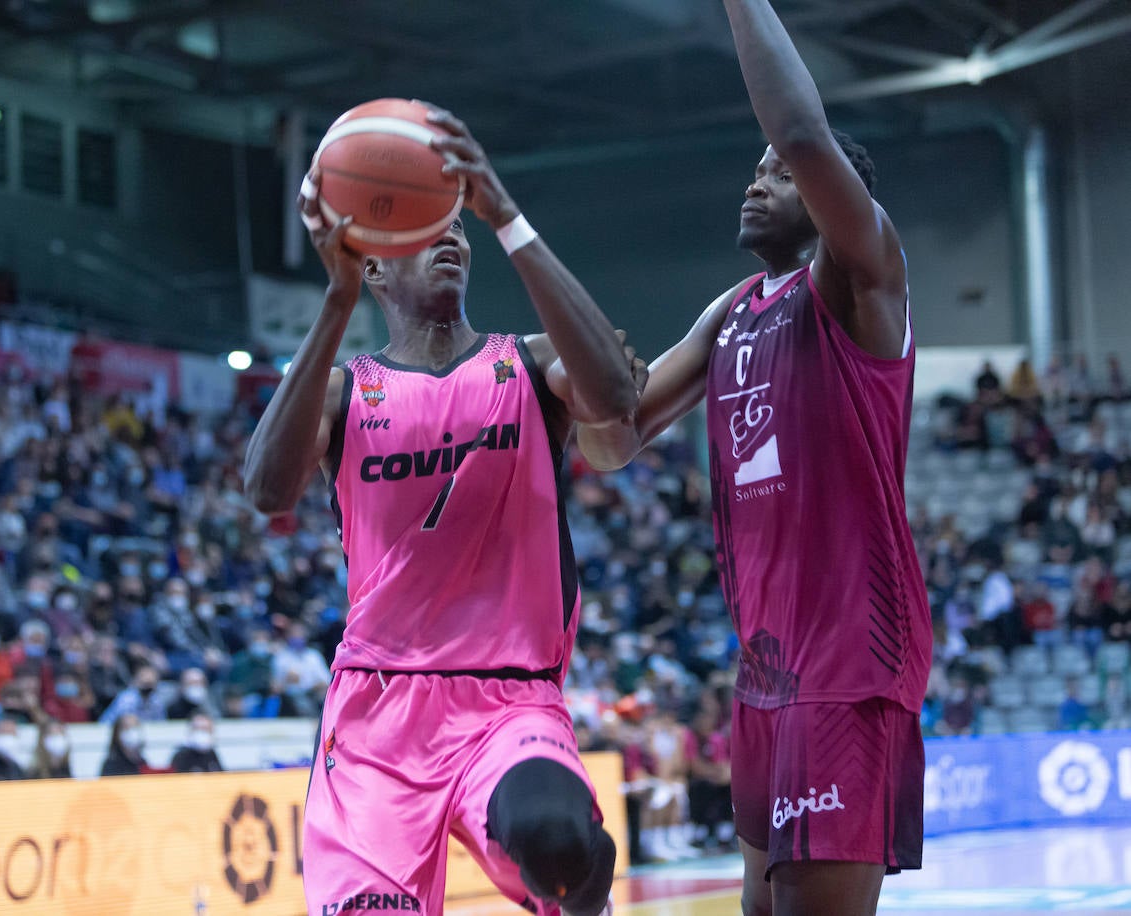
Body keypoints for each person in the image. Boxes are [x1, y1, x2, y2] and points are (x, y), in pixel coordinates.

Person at [574, 3, 929, 911]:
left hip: (851, 652)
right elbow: (611, 438)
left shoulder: (860, 278)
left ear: (833, 199)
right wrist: (580, 371)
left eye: (779, 174)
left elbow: (804, 128)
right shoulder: (732, 310)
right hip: (768, 665)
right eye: (756, 170)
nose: (757, 179)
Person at [245, 103, 639, 916]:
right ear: (380, 266)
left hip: (509, 701)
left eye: (454, 223)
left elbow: (616, 396)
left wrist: (510, 218)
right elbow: (264, 490)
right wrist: (334, 297)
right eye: (423, 227)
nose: (450, 236)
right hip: (377, 713)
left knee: (559, 840)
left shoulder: (528, 366)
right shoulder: (348, 389)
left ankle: (583, 898)